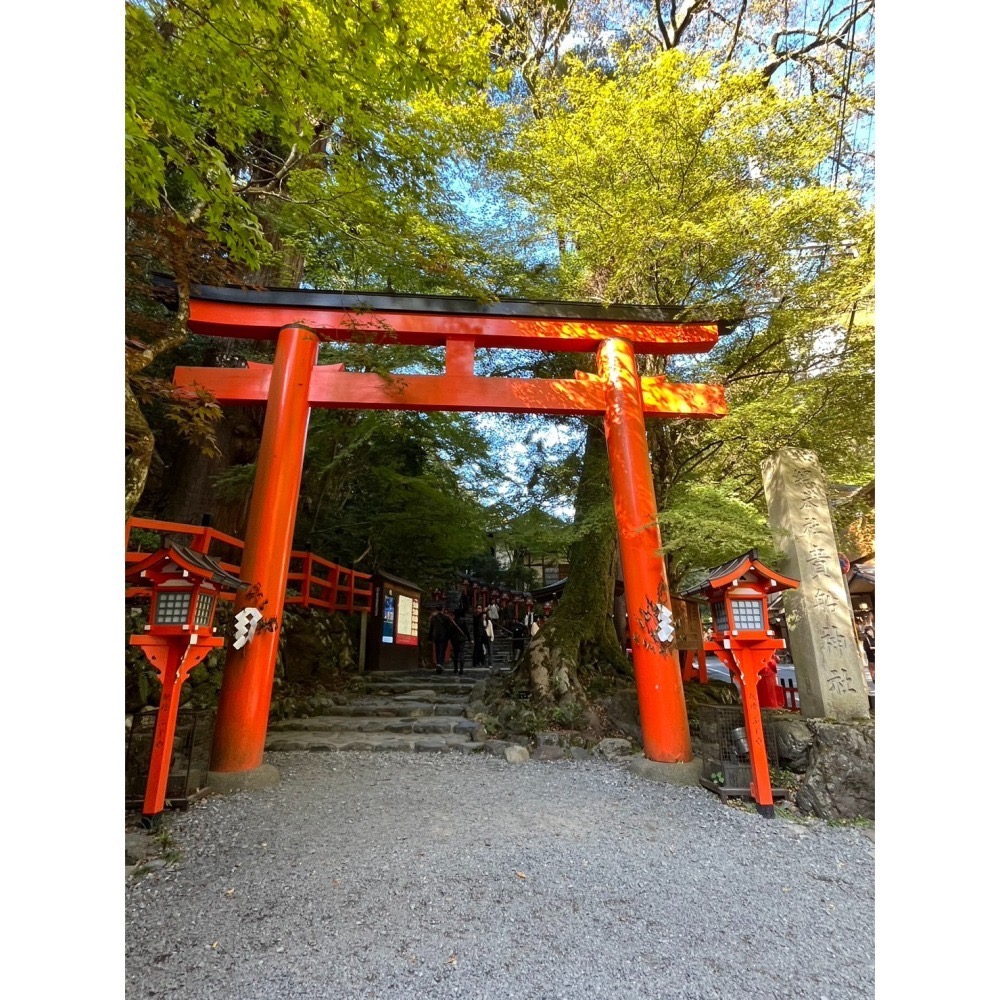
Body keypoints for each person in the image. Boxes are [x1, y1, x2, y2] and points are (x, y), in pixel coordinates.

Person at [444, 608, 469, 675]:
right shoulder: (463, 621)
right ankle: (461, 669)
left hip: (454, 639)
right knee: (461, 653)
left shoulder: (453, 621)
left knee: (455, 654)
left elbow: (449, 631)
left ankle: (455, 668)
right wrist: (469, 638)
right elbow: (466, 631)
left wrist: (449, 638)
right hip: (462, 639)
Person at [428, 605, 450, 675]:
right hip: (444, 636)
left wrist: (429, 638)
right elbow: (448, 628)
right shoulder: (446, 618)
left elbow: (431, 629)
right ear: (442, 609)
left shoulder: (433, 618)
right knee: (442, 650)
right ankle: (440, 663)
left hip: (436, 636)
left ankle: (438, 663)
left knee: (437, 650)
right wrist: (449, 636)